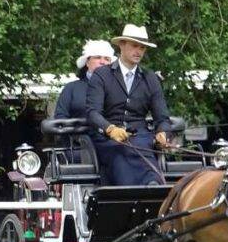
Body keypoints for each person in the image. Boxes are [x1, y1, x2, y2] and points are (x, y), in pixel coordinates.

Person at [86, 24, 171, 186]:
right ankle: (139, 188)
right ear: (122, 45)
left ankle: (152, 185)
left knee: (142, 150)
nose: (138, 51)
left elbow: (162, 118)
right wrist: (110, 129)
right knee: (122, 150)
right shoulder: (102, 75)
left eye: (142, 47)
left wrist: (163, 133)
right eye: (134, 46)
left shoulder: (150, 78)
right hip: (108, 140)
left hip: (141, 139)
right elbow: (92, 113)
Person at [54, 39, 116, 120]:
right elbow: (60, 118)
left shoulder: (118, 88)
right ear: (87, 62)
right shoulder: (71, 88)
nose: (102, 62)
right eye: (97, 57)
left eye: (107, 59)